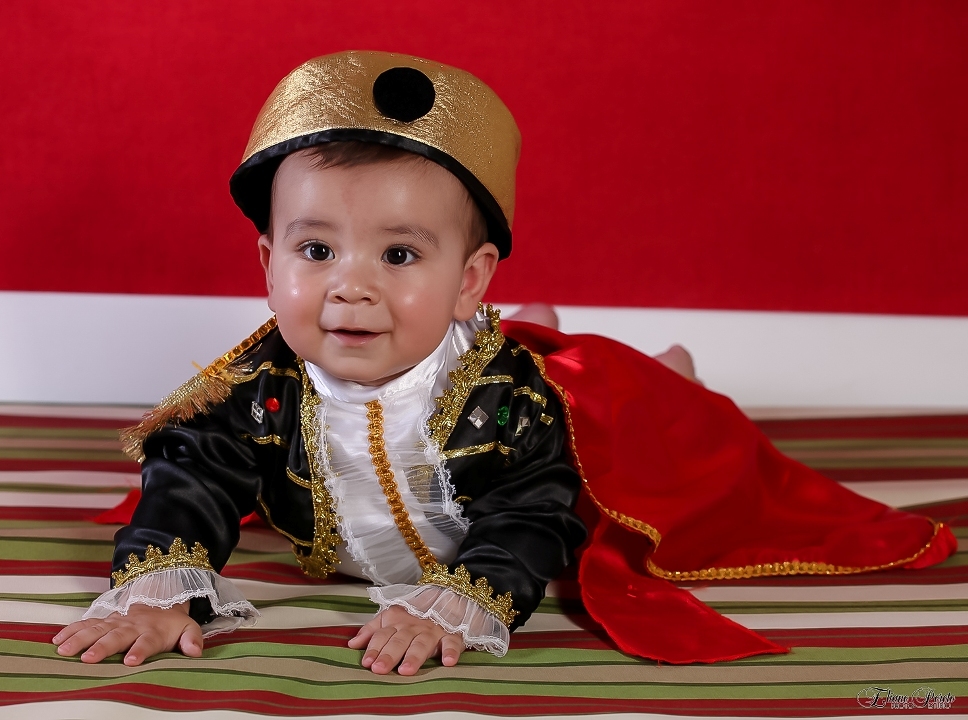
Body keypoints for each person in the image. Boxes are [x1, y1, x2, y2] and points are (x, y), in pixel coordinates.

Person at [53, 51, 955, 673]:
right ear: (267, 263)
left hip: (548, 397)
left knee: (649, 423)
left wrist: (465, 597)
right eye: (316, 250)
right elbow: (191, 479)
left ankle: (662, 367)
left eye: (399, 255)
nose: (350, 288)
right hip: (462, 331)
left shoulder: (510, 405)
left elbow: (531, 513)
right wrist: (162, 587)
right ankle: (532, 321)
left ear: (469, 278)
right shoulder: (253, 392)